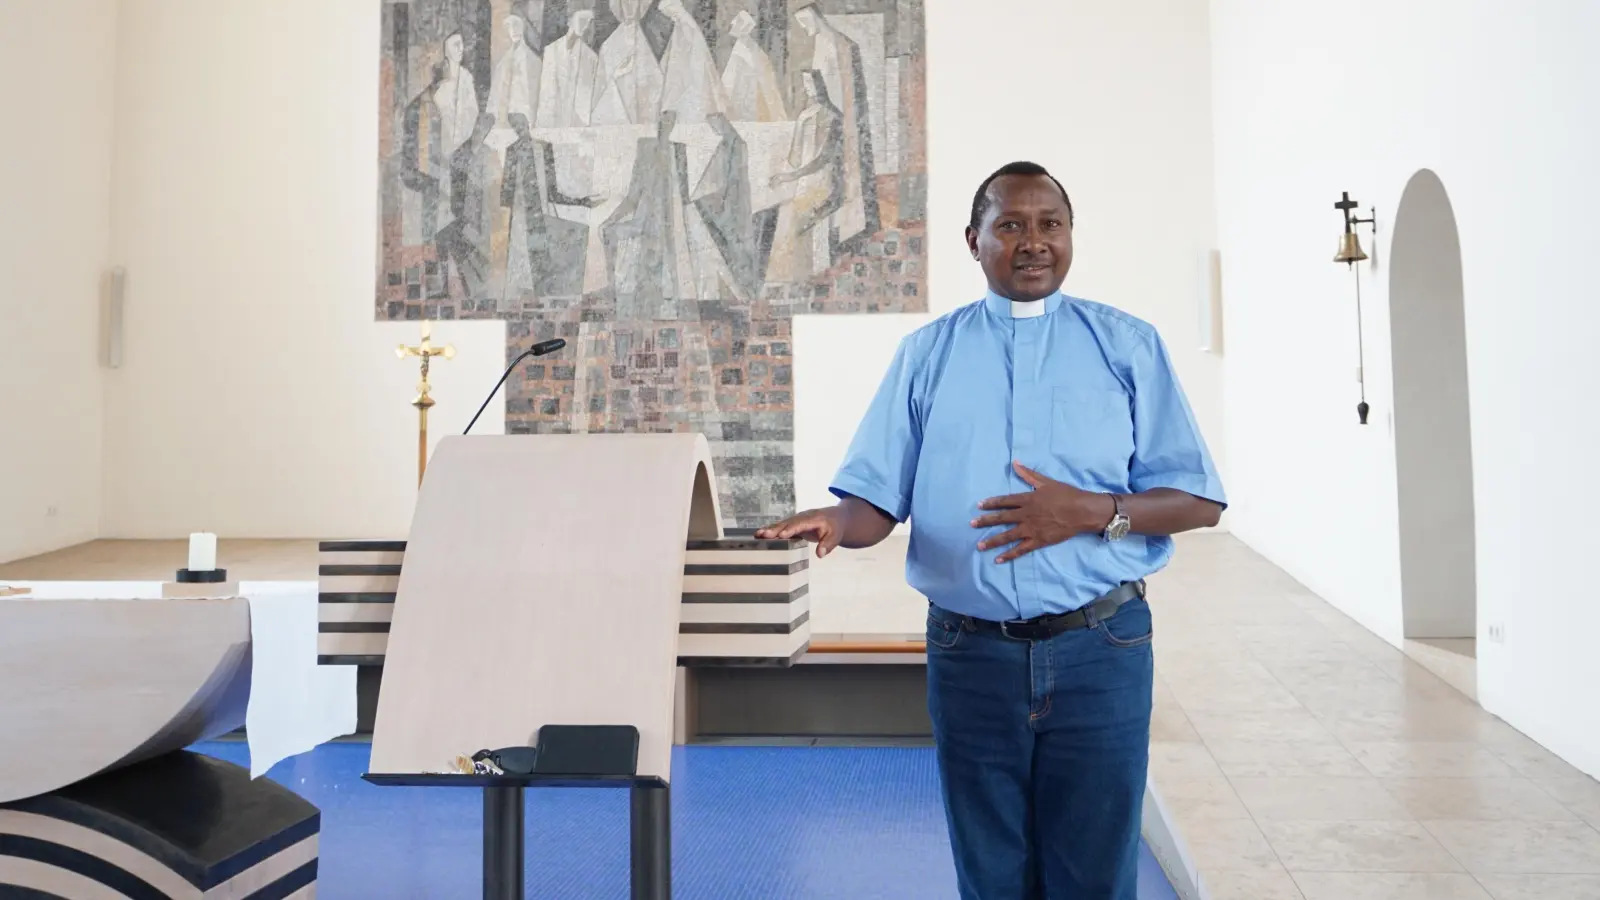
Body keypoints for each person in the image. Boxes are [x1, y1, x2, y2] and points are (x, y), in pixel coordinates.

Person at [756, 161, 1226, 899]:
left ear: (1071, 237)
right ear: (973, 241)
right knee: (990, 873)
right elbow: (878, 502)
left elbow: (1198, 501)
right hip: (969, 655)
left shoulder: (1127, 346)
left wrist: (1091, 511)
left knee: (1095, 874)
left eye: (1050, 225)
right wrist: (836, 519)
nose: (1032, 242)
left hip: (1101, 648)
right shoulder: (928, 354)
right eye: (1010, 225)